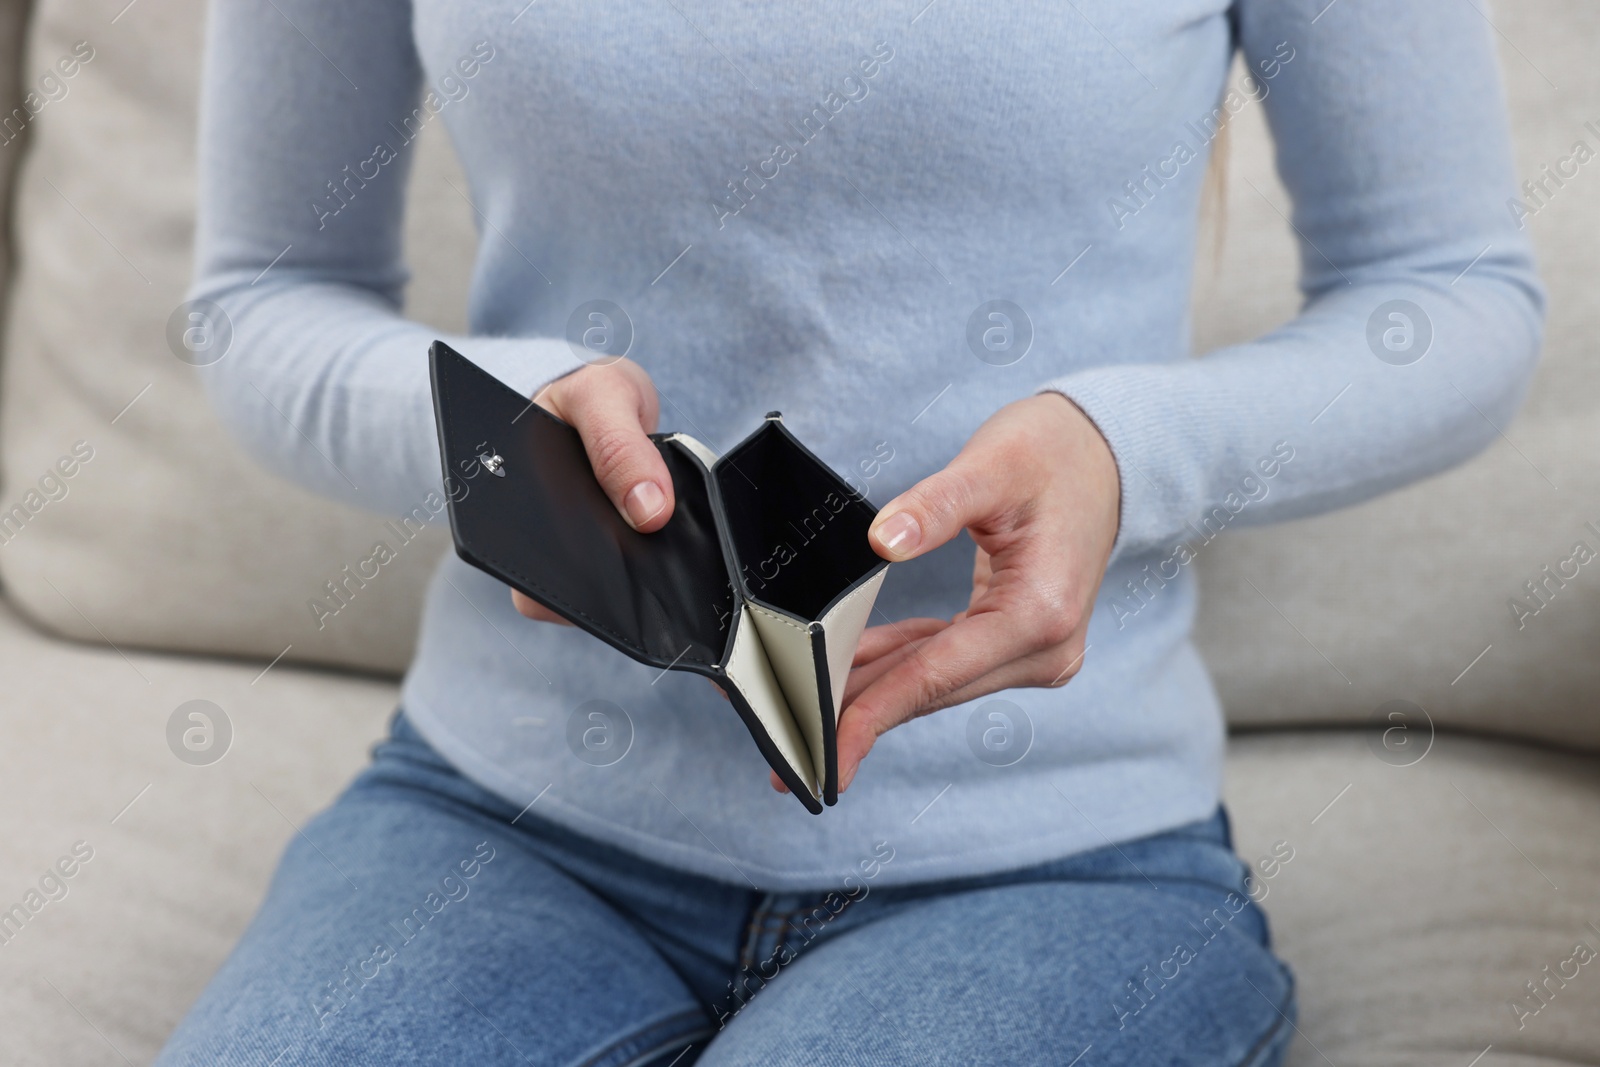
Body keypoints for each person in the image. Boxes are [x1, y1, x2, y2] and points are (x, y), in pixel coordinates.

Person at [156, 1, 1543, 1063]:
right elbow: (263, 297)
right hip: (506, 813)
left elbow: (1452, 293)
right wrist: (493, 436)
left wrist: (1130, 451)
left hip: (1045, 860)